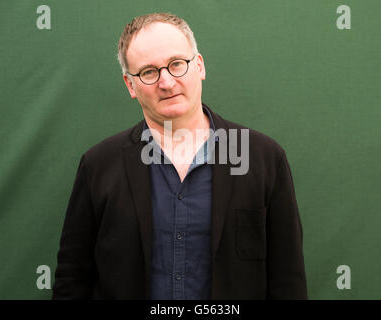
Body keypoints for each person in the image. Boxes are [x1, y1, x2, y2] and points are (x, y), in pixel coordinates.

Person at [52, 12, 307, 300]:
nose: (167, 82)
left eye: (177, 64)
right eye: (148, 71)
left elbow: (288, 280)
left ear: (199, 65)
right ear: (130, 85)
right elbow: (73, 278)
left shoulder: (263, 159)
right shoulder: (98, 166)